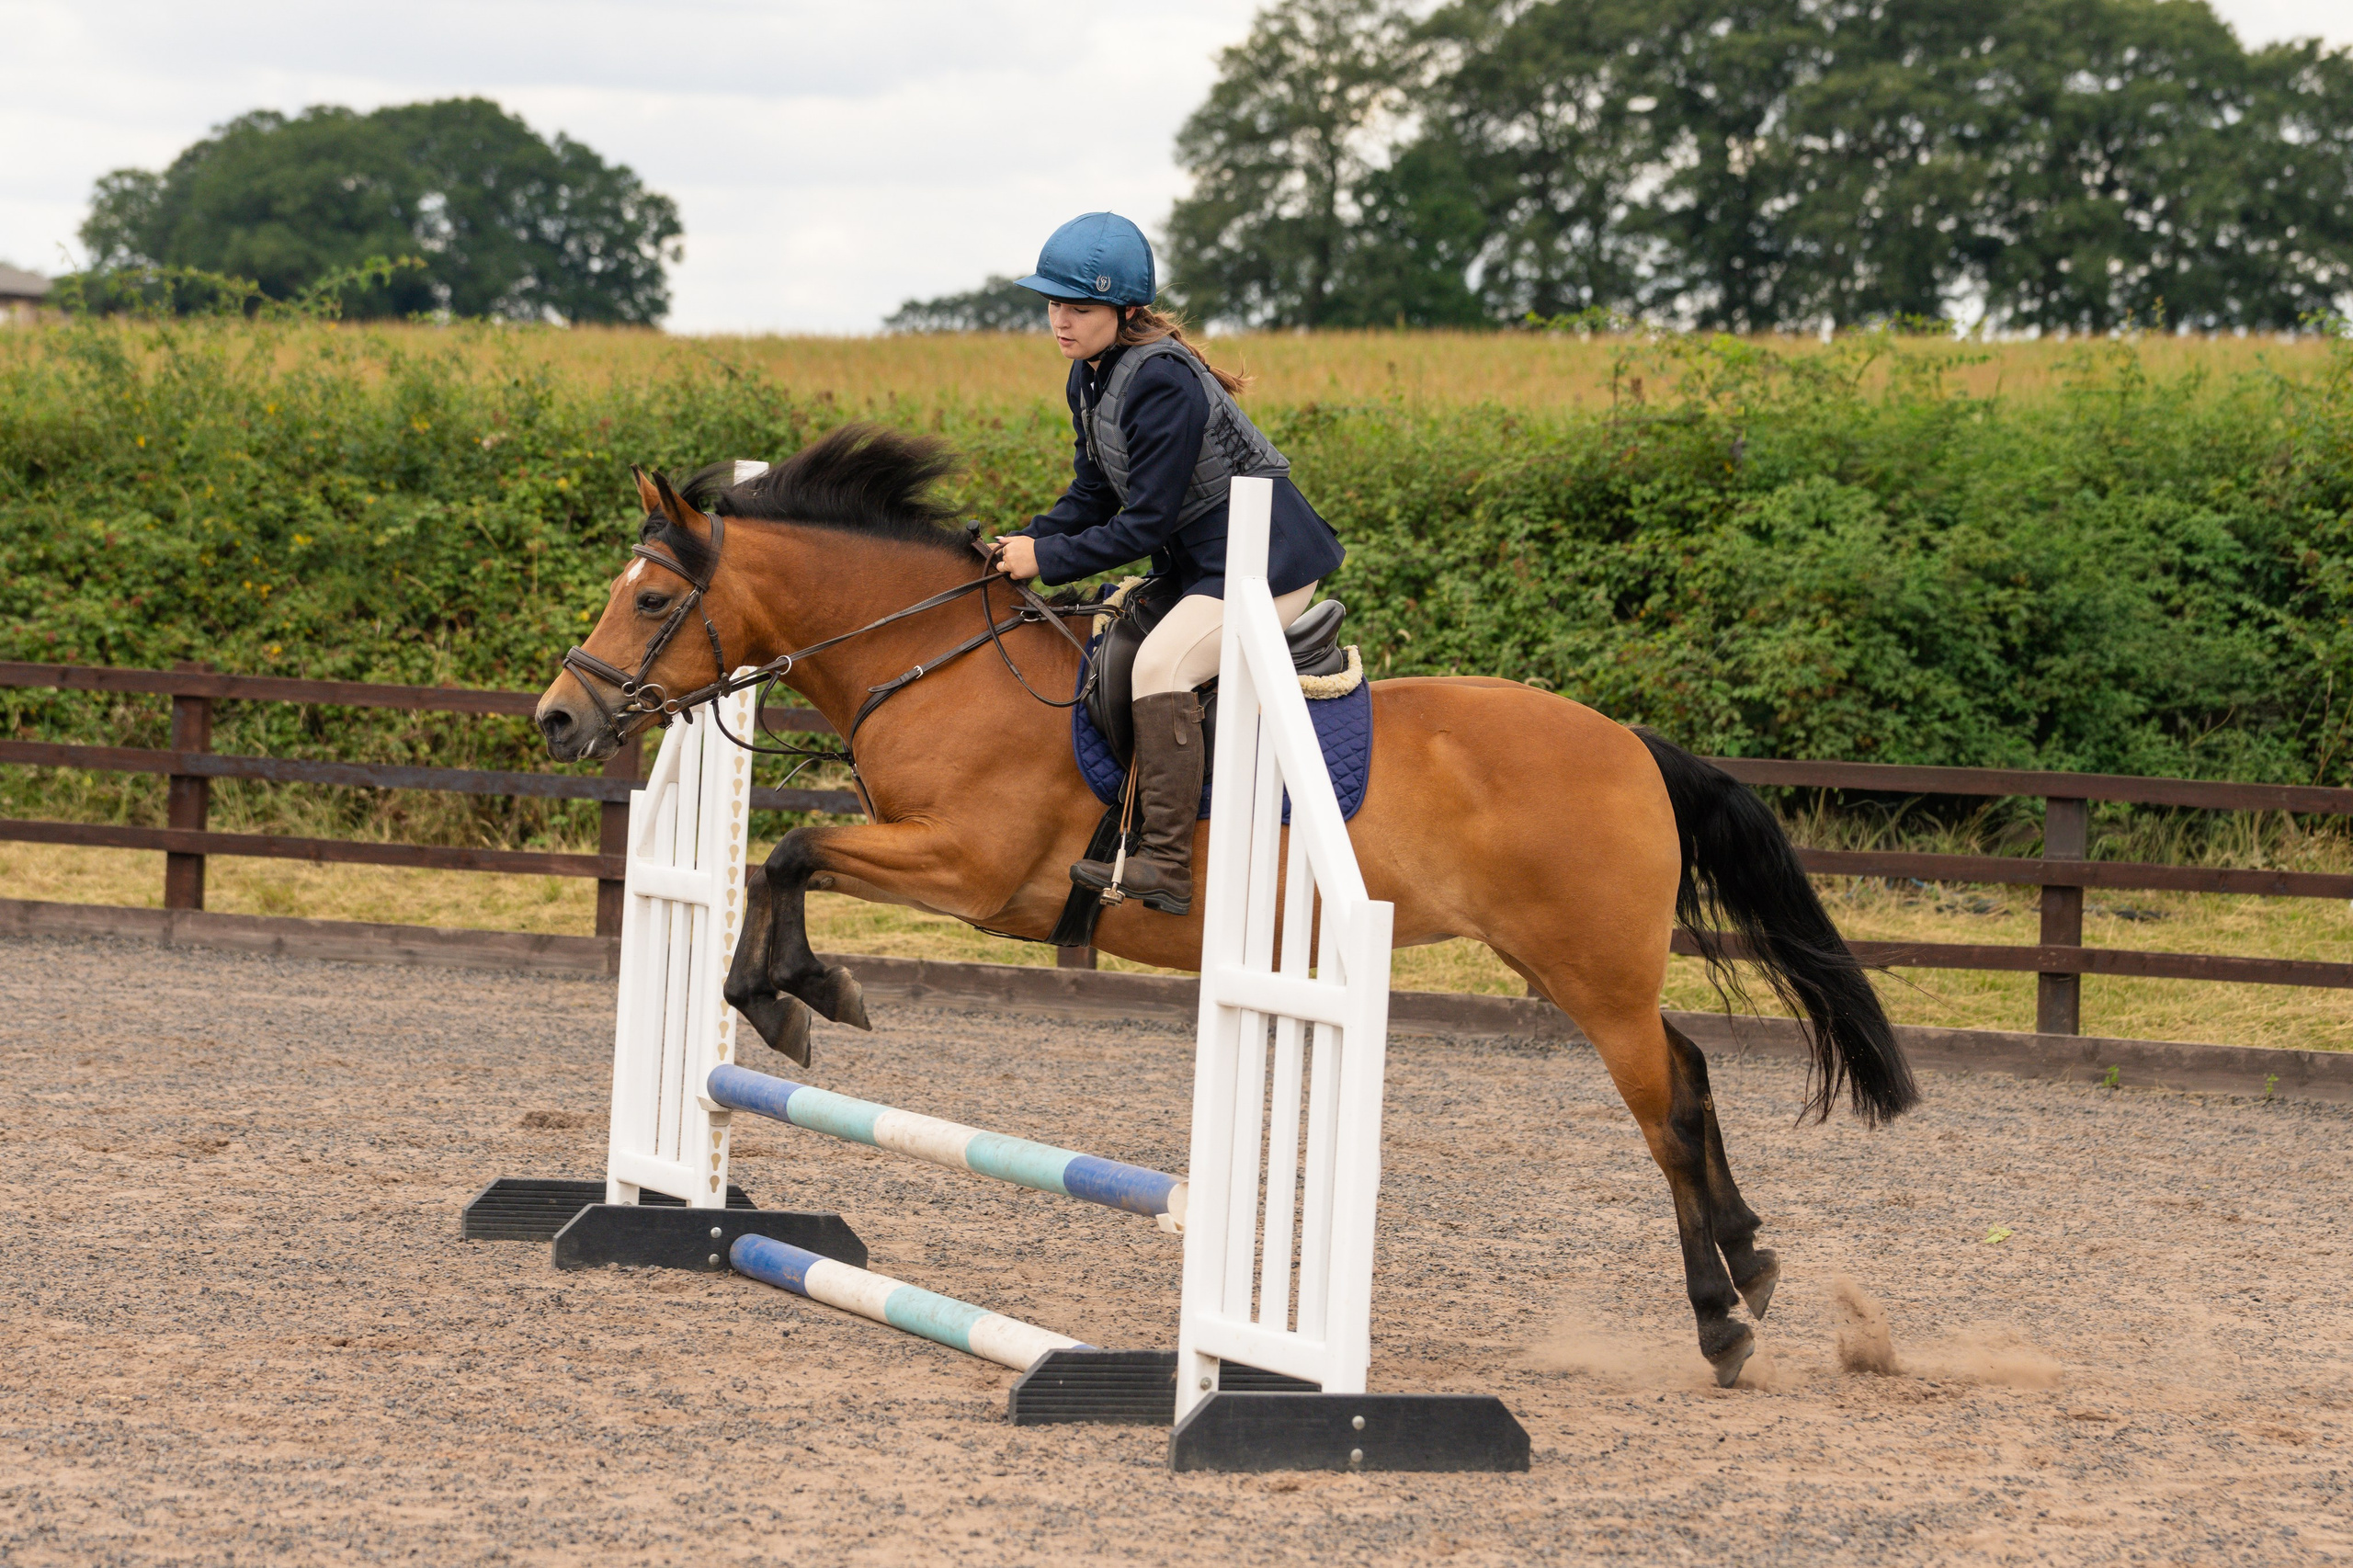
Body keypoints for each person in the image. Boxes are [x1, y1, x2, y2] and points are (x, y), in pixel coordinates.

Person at [990, 211, 1345, 917]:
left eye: (1078, 307)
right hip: (1203, 564)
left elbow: (1142, 524)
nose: (1060, 320)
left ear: (1123, 311)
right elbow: (1093, 494)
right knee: (1111, 637)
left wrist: (1048, 558)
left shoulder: (1161, 382)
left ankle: (1168, 864)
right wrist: (1018, 544)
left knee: (1162, 667)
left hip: (1265, 564)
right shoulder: (1089, 376)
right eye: (1053, 304)